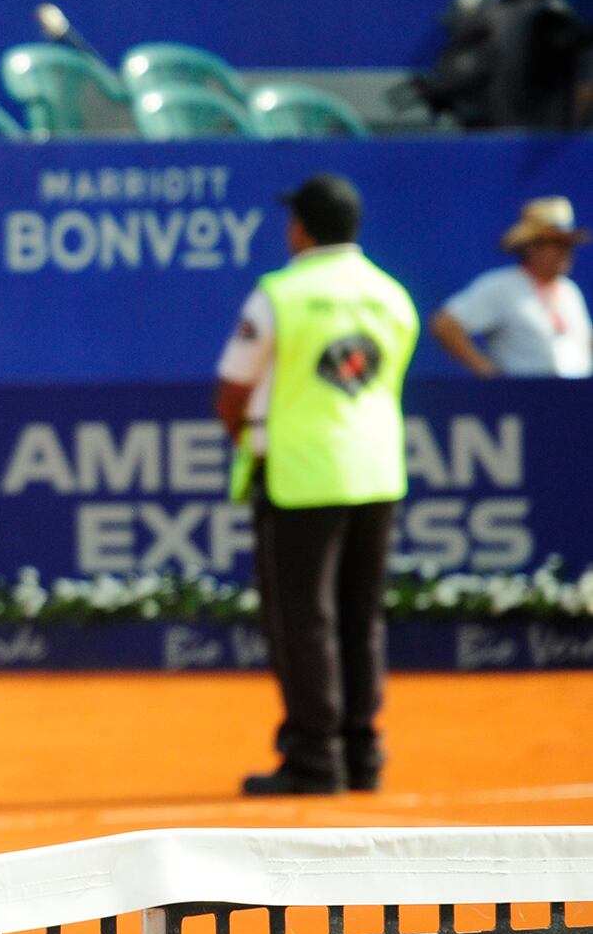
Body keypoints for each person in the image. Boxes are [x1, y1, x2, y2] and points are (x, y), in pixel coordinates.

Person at [213, 174, 417, 797]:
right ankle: (362, 752)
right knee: (361, 615)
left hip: (301, 475)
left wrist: (249, 439)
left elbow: (233, 390)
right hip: (377, 471)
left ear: (300, 228)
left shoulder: (280, 294)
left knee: (304, 620)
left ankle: (313, 758)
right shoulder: (392, 296)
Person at [431, 195, 593, 376]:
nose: (566, 253)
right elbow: (445, 325)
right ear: (531, 247)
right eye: (558, 244)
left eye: (569, 245)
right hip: (522, 399)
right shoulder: (501, 287)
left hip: (577, 399)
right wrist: (490, 374)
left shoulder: (570, 292)